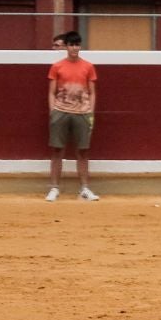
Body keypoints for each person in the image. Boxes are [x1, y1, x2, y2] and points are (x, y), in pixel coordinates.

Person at [45, 30, 98, 203]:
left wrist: (90, 112)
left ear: (80, 46)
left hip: (82, 112)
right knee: (57, 151)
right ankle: (54, 188)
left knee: (83, 152)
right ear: (66, 46)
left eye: (77, 44)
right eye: (71, 44)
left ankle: (84, 188)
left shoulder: (88, 66)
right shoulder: (57, 66)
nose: (74, 48)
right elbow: (51, 92)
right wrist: (53, 111)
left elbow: (92, 92)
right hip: (61, 111)